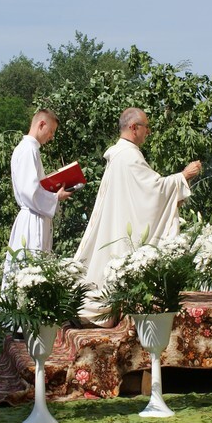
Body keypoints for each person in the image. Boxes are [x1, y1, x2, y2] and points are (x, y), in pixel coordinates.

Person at [74, 107, 201, 326]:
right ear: (134, 128)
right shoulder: (129, 156)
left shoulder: (120, 154)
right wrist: (184, 176)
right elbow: (154, 190)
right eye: (146, 127)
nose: (148, 132)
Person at [3, 109, 72, 281]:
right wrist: (56, 197)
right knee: (31, 271)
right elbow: (30, 192)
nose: (51, 137)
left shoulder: (29, 149)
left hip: (34, 215)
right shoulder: (28, 150)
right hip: (32, 219)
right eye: (51, 131)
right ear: (41, 124)